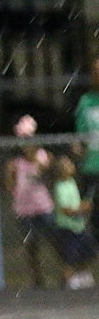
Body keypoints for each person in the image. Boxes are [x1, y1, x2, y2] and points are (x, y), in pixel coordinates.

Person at [2, 115, 56, 288]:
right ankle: (37, 279)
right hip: (24, 209)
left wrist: (39, 165)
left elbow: (50, 171)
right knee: (31, 246)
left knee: (54, 239)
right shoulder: (15, 163)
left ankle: (64, 273)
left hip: (43, 206)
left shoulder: (42, 156)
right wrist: (13, 179)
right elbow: (9, 186)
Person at [49, 154, 98, 289]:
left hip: (79, 226)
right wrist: (83, 208)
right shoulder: (60, 187)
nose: (72, 166)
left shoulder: (71, 182)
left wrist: (83, 205)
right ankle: (67, 284)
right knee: (70, 258)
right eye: (68, 165)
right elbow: (66, 210)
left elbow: (75, 204)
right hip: (67, 229)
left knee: (89, 253)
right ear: (61, 170)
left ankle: (82, 276)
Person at [73, 55, 99, 233]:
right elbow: (80, 134)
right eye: (96, 73)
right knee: (93, 212)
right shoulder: (86, 102)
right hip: (92, 167)